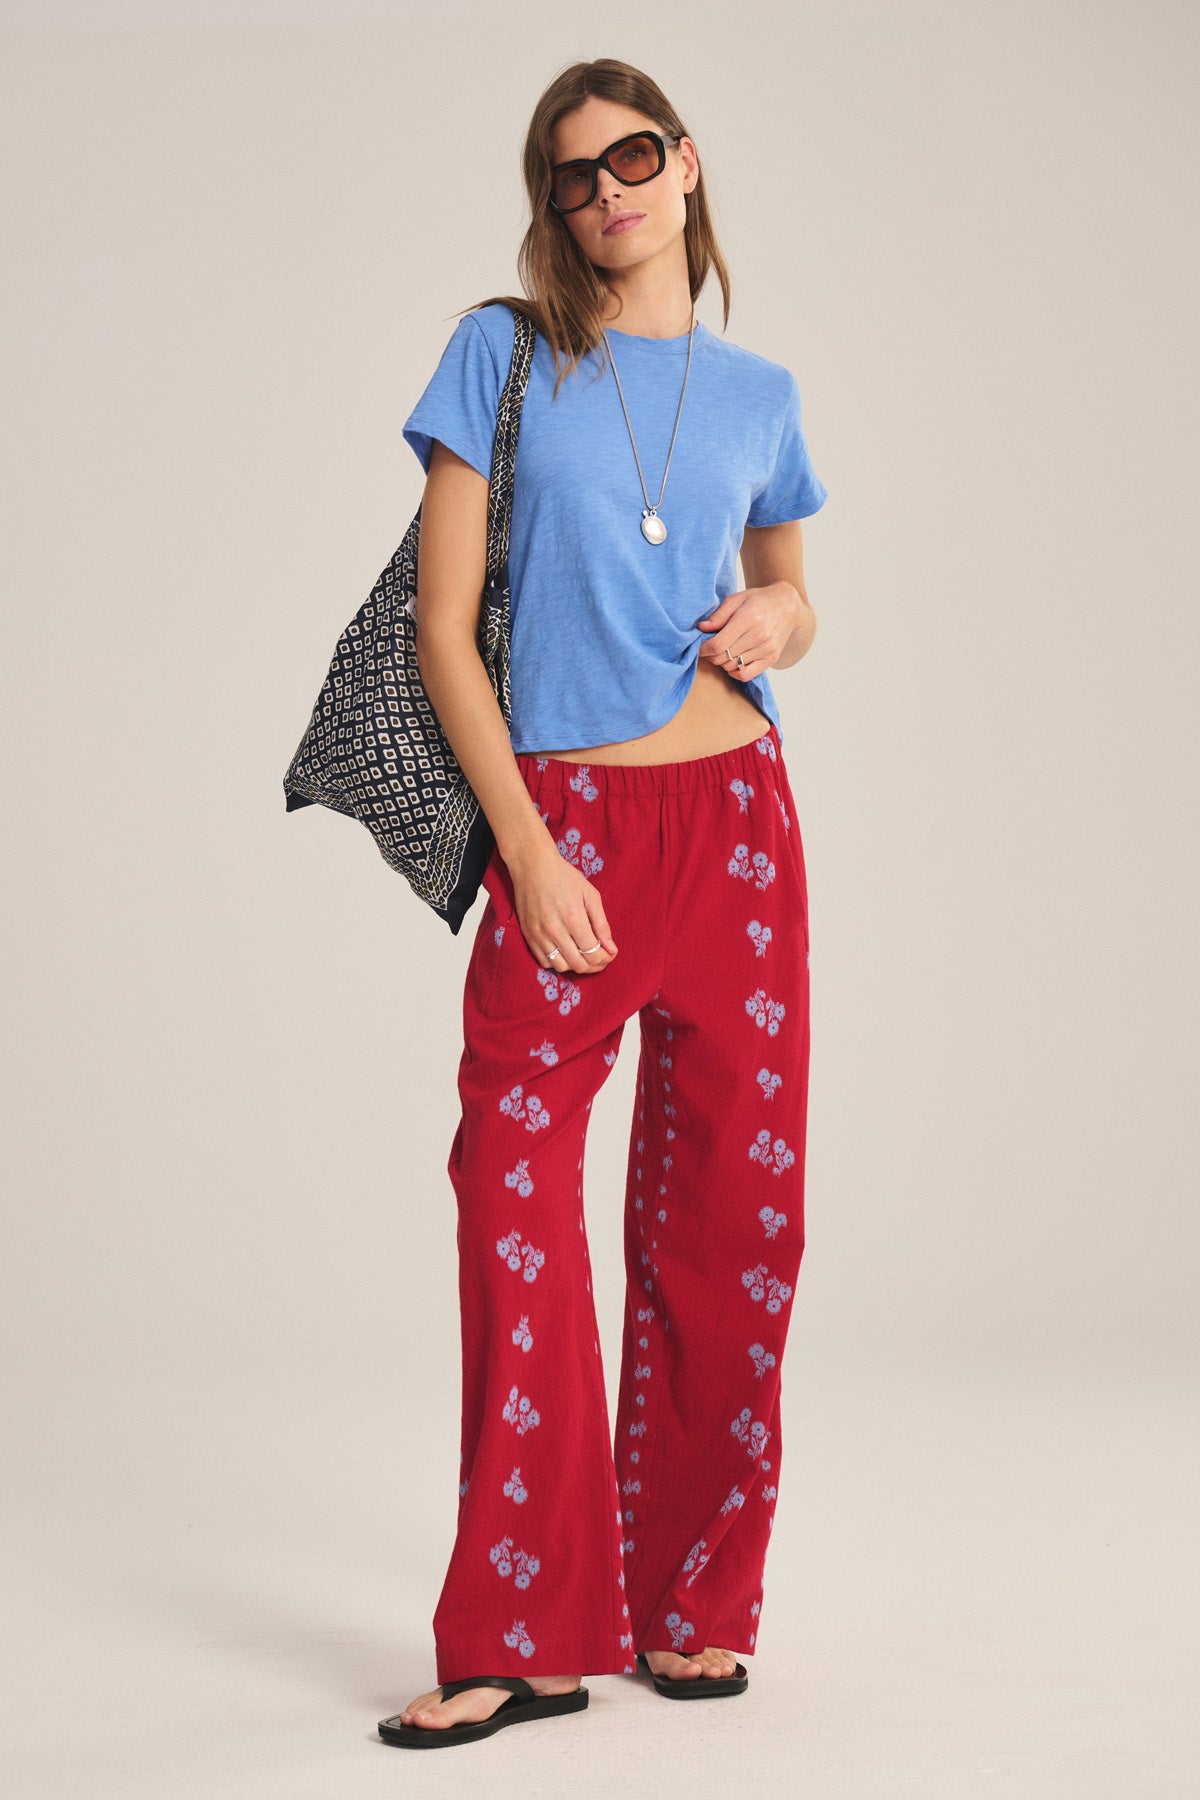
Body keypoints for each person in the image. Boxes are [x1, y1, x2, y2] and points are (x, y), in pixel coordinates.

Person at [378, 56, 828, 1749]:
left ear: (688, 164)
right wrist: (530, 854)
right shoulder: (500, 357)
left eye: (632, 156)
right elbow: (443, 631)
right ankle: (522, 1627)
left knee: (730, 1227)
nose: (607, 192)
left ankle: (694, 1604)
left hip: (735, 832)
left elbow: (789, 594)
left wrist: (784, 628)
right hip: (563, 826)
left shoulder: (760, 391)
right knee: (511, 1186)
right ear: (550, 204)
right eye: (572, 175)